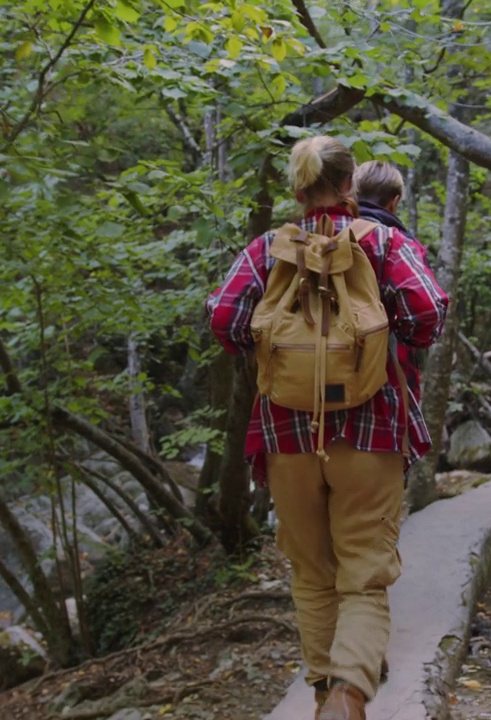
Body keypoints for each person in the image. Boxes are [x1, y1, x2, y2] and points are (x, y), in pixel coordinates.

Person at [206, 137, 448, 720]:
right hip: (371, 430)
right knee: (363, 575)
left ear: (297, 191)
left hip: (286, 435)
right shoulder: (384, 241)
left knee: (313, 575)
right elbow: (428, 312)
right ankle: (346, 696)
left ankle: (322, 697)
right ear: (350, 187)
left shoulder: (267, 249)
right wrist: (386, 341)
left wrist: (276, 352)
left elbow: (224, 317)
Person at [353, 160, 425, 402]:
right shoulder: (395, 243)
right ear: (394, 201)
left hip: (315, 368)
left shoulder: (322, 235)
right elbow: (427, 311)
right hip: (385, 376)